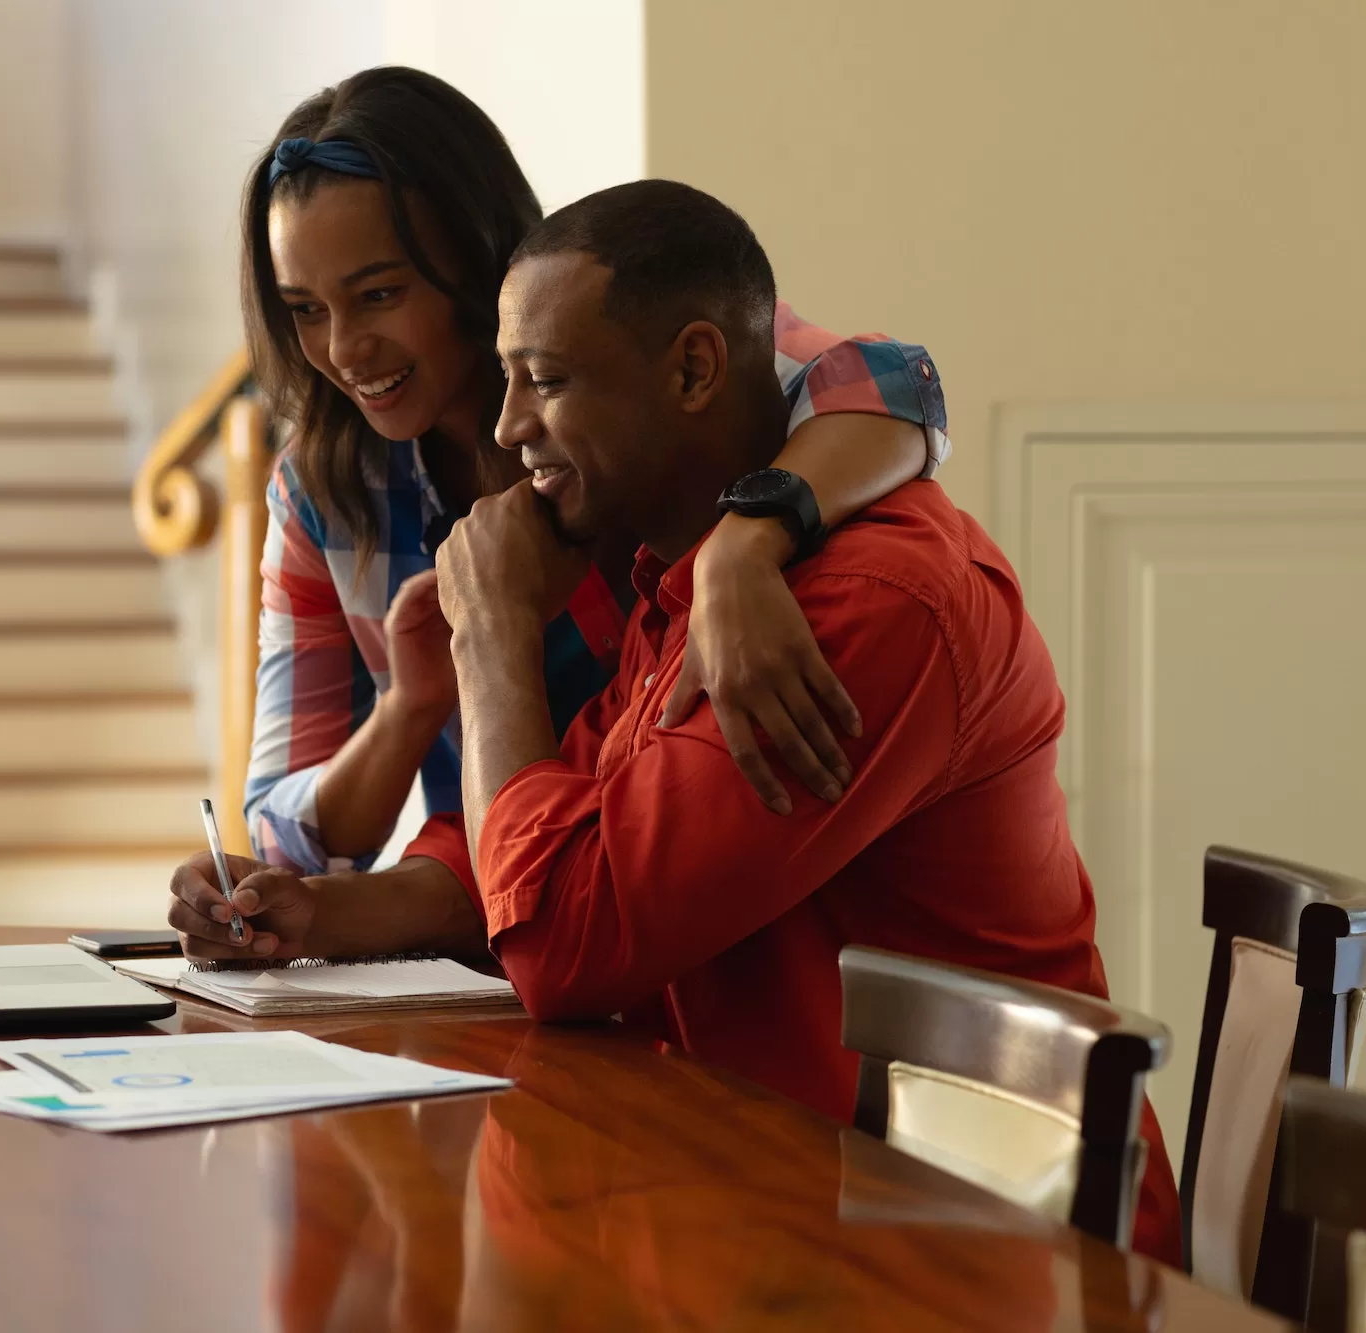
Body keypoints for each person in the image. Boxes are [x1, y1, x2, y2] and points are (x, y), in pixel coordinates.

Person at [172, 179, 1182, 1262]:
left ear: (694, 370)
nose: (507, 430)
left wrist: (494, 635)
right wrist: (315, 915)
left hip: (978, 1262)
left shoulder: (855, 607)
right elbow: (547, 851)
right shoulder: (698, 584)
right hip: (780, 1200)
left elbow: (558, 941)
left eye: (545, 380)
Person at [236, 67, 948, 876]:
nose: (342, 349)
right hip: (513, 906)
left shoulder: (631, 361)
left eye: (379, 294)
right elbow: (282, 836)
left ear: (474, 254)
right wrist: (410, 705)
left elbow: (895, 385)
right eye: (305, 309)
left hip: (720, 880)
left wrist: (742, 545)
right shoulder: (323, 494)